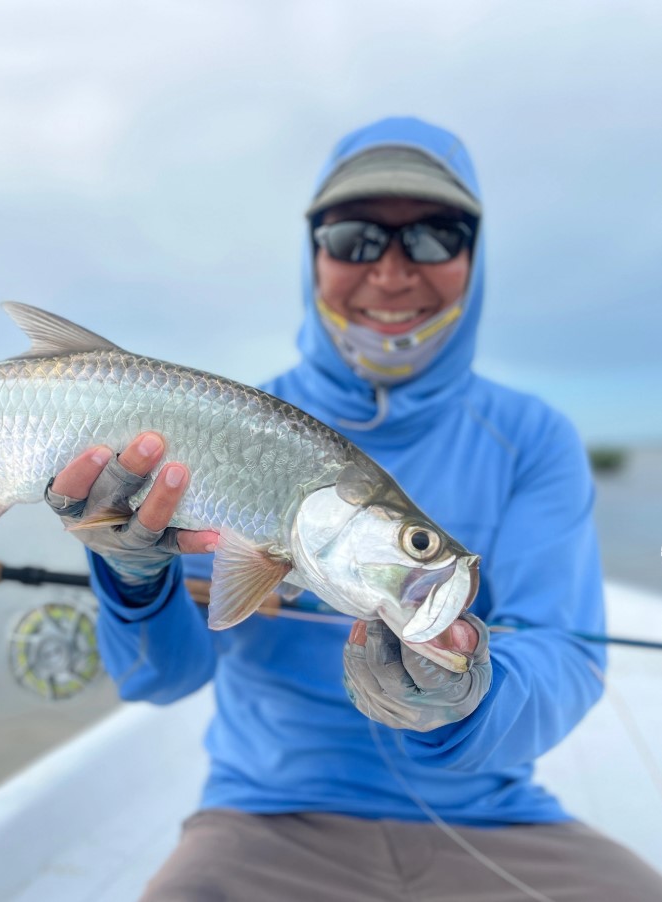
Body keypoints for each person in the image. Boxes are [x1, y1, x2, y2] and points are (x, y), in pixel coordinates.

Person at [45, 117, 662, 900]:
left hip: (492, 819)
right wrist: (132, 580)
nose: (393, 273)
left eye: (436, 237)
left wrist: (465, 700)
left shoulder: (529, 437)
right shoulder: (218, 426)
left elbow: (564, 656)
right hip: (266, 819)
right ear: (313, 255)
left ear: (476, 256)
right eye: (355, 238)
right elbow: (158, 682)